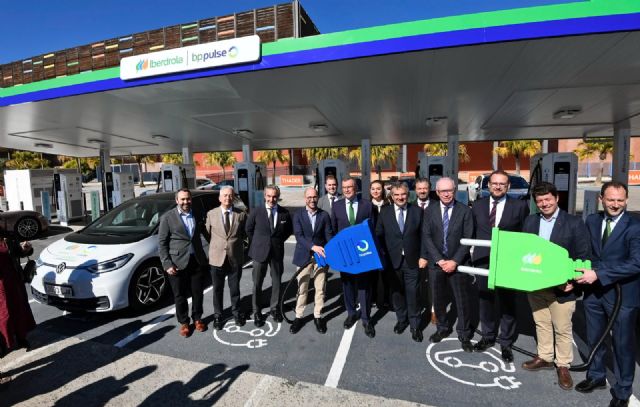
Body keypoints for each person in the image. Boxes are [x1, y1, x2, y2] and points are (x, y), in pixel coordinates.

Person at [574, 181, 640, 407]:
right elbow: (588, 253)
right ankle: (596, 376)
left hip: (623, 296)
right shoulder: (592, 220)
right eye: (610, 199)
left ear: (626, 200)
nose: (615, 204)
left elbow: (636, 263)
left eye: (620, 200)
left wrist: (599, 273)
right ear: (601, 199)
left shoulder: (635, 226)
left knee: (622, 344)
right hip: (594, 293)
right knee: (595, 337)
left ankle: (622, 392)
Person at [520, 182, 590, 391]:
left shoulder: (574, 223)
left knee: (562, 328)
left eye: (548, 199)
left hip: (562, 288)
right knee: (541, 323)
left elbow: (583, 255)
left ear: (556, 198)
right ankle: (545, 356)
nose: (544, 204)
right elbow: (524, 252)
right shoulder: (530, 222)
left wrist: (573, 283)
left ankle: (563, 365)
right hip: (536, 284)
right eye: (540, 201)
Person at [472, 170, 529, 362]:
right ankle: (487, 336)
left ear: (508, 186)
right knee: (485, 301)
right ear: (488, 186)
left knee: (507, 303)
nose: (497, 186)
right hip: (483, 260)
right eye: (494, 183)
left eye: (502, 184)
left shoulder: (520, 206)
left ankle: (506, 342)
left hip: (508, 261)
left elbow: (524, 235)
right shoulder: (477, 206)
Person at [421, 177, 474, 351]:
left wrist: (455, 261)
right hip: (437, 264)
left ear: (454, 190)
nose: (446, 194)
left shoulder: (465, 211)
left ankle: (465, 334)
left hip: (458, 264)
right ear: (437, 192)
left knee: (462, 300)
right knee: (439, 298)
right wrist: (440, 260)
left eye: (449, 190)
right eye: (443, 191)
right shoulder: (430, 210)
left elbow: (468, 239)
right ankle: (442, 328)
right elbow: (427, 237)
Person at [376, 182, 427, 342]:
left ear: (408, 194)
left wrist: (424, 256)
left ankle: (415, 325)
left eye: (403, 194)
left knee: (413, 294)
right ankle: (402, 320)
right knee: (396, 293)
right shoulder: (384, 212)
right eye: (396, 195)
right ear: (392, 196)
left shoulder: (417, 212)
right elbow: (379, 235)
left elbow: (425, 236)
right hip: (392, 261)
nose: (400, 197)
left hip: (413, 260)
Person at [158, 188, 209, 337]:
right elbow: (162, 243)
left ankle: (198, 318)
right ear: (177, 201)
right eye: (183, 199)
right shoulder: (168, 217)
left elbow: (206, 233)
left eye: (188, 199)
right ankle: (184, 322)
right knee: (179, 295)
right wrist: (167, 264)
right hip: (177, 262)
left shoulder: (197, 213)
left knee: (197, 292)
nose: (186, 202)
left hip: (197, 260)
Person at [331, 176, 375, 338]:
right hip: (345, 254)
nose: (347, 190)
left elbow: (373, 229)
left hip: (363, 254)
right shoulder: (336, 206)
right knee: (347, 285)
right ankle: (351, 313)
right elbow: (333, 230)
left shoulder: (367, 205)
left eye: (350, 187)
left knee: (364, 286)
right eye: (344, 187)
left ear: (356, 188)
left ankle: (366, 318)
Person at [246, 185, 293, 327]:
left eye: (274, 196)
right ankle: (256, 311)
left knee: (277, 282)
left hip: (277, 253)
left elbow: (288, 231)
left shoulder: (284, 213)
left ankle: (274, 309)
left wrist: (276, 242)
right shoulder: (256, 212)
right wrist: (259, 243)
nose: (272, 199)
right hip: (259, 253)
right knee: (257, 283)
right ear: (264, 196)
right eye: (269, 196)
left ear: (278, 197)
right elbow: (248, 230)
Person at [290, 187, 333, 334]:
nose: (312, 200)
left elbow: (328, 235)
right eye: (309, 197)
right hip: (303, 257)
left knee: (320, 289)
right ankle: (299, 316)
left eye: (314, 197)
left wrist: (330, 250)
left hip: (321, 258)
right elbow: (299, 236)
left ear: (317, 198)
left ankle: (318, 316)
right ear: (305, 198)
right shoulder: (298, 215)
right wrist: (313, 247)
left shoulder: (324, 215)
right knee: (302, 289)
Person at [205, 185, 247, 330]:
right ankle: (218, 315)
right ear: (219, 198)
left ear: (233, 197)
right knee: (217, 289)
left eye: (230, 195)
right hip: (217, 258)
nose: (228, 198)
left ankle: (236, 312)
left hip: (234, 258)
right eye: (225, 195)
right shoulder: (211, 214)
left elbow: (243, 234)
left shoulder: (241, 214)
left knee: (235, 289)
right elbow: (208, 233)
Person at [0, 238, 36, 385]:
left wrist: (25, 249)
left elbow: (18, 252)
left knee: (19, 309)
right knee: (5, 315)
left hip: (14, 279)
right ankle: (5, 345)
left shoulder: (6, 237)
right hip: (0, 285)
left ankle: (21, 338)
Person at [413, 177, 435, 324]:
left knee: (433, 284)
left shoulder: (437, 205)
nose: (422, 191)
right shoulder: (409, 207)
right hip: (414, 253)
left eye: (425, 188)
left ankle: (433, 310)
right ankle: (417, 310)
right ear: (415, 190)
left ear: (429, 188)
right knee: (416, 284)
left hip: (434, 252)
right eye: (419, 188)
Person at [369, 180, 390, 309]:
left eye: (378, 189)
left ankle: (387, 299)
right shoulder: (366, 205)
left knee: (387, 274)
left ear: (382, 190)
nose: (375, 191)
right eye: (373, 189)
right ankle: (373, 299)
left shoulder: (389, 205)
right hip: (371, 245)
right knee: (372, 275)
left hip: (386, 244)